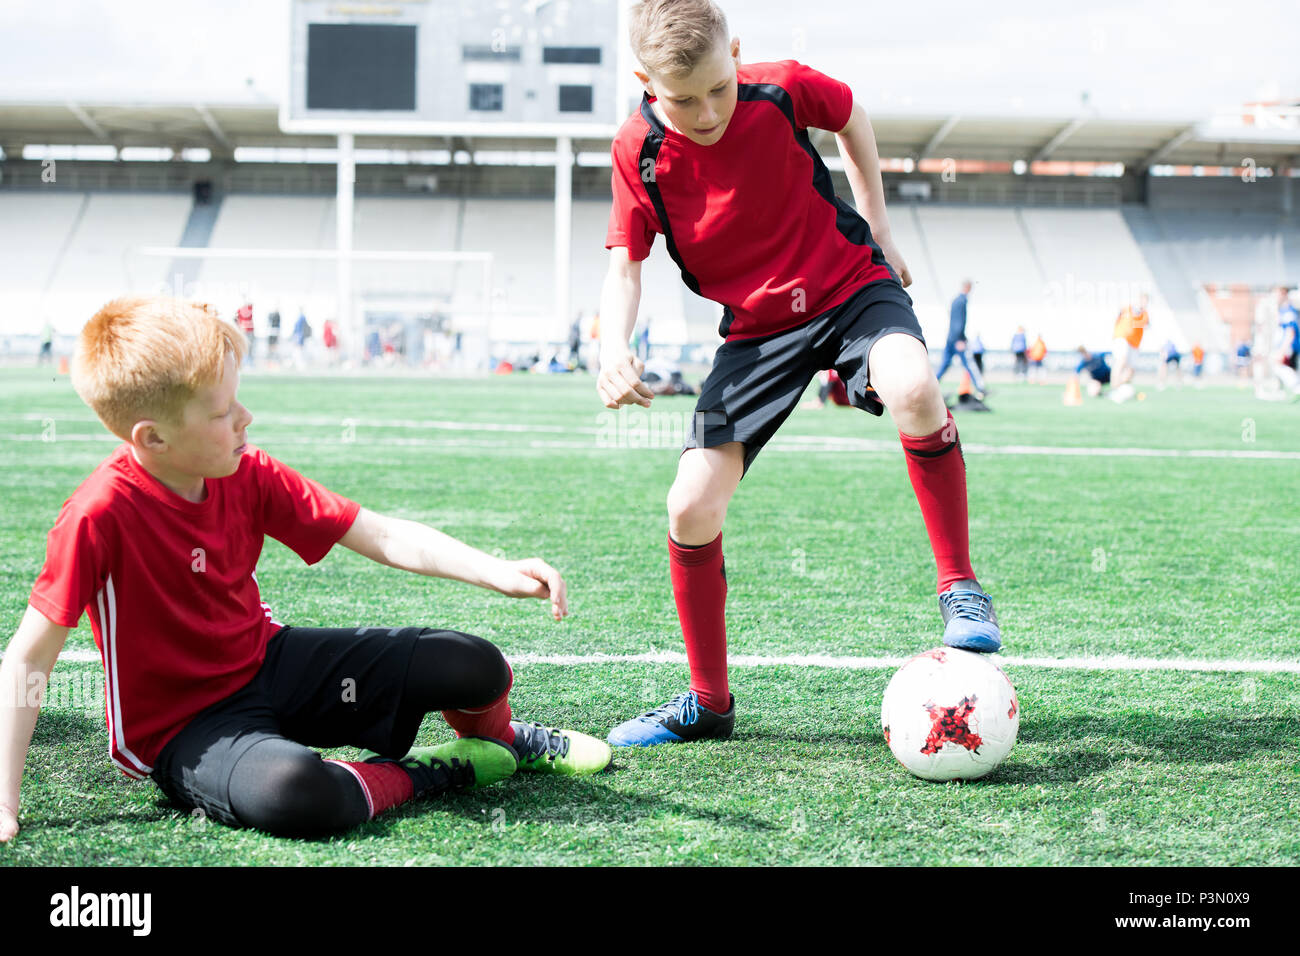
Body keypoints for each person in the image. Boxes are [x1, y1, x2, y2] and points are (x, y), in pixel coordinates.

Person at [0, 296, 611, 844]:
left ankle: (500, 739)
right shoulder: (97, 515)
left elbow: (378, 532)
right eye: (221, 412)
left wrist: (497, 571)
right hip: (184, 728)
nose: (245, 418)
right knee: (297, 792)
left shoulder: (247, 470)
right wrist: (4, 800)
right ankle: (420, 771)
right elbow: (28, 658)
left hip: (269, 665)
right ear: (153, 438)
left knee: (472, 663)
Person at [596, 0, 1001, 748]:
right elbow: (625, 265)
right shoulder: (638, 151)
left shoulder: (780, 89)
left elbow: (851, 114)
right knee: (689, 508)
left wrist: (878, 226)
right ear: (644, 81)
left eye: (719, 87)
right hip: (756, 333)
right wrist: (611, 344)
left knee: (914, 386)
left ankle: (961, 588)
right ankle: (709, 703)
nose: (707, 110)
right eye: (682, 98)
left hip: (850, 286)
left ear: (737, 55)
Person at [935, 280, 985, 394]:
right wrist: (960, 339)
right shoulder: (962, 301)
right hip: (957, 340)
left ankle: (932, 386)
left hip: (951, 338)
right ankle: (981, 388)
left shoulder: (955, 300)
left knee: (945, 364)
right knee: (969, 364)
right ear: (968, 287)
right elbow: (959, 322)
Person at [1109, 293, 1149, 400]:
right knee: (1121, 360)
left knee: (1130, 370)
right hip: (1122, 337)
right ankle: (1114, 389)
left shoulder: (1145, 315)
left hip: (1134, 343)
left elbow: (1146, 325)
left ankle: (1119, 387)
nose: (1143, 303)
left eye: (1145, 301)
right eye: (1142, 301)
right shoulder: (1127, 309)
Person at [236, 301, 254, 365]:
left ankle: (249, 360)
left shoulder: (249, 308)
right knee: (243, 346)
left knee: (250, 346)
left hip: (249, 331)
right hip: (243, 331)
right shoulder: (240, 310)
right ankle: (244, 360)